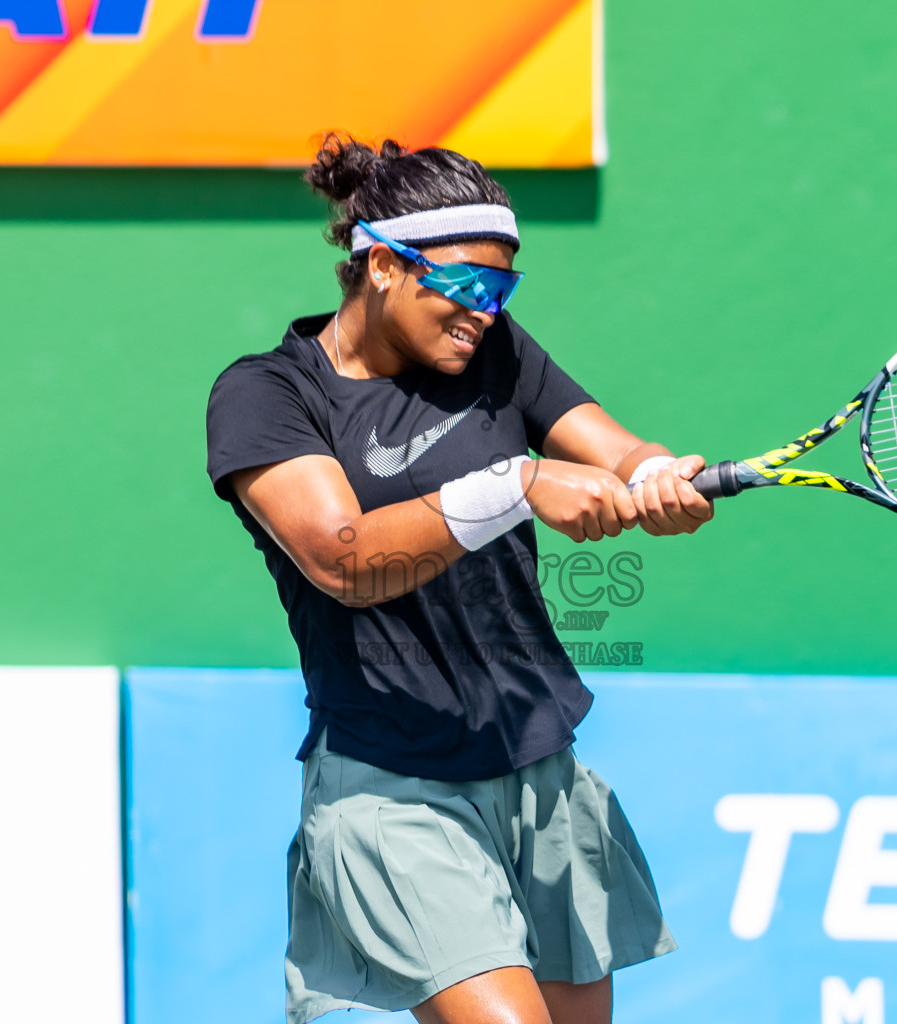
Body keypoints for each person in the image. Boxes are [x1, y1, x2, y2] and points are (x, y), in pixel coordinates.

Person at [205, 133, 713, 1024]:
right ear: (380, 265)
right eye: (466, 286)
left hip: (539, 764)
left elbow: (619, 448)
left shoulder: (497, 353)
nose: (484, 310)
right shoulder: (267, 394)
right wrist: (516, 484)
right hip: (392, 785)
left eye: (502, 288)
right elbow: (344, 558)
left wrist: (656, 478)